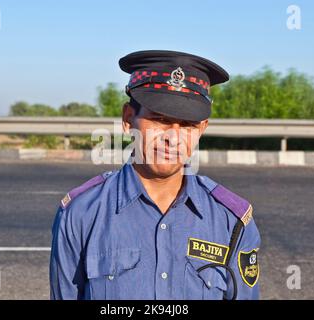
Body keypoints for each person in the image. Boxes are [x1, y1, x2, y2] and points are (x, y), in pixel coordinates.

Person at [50, 50, 261, 300]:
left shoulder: (231, 222)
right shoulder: (80, 214)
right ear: (129, 119)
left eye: (187, 125)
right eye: (159, 119)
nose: (173, 137)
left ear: (202, 128)